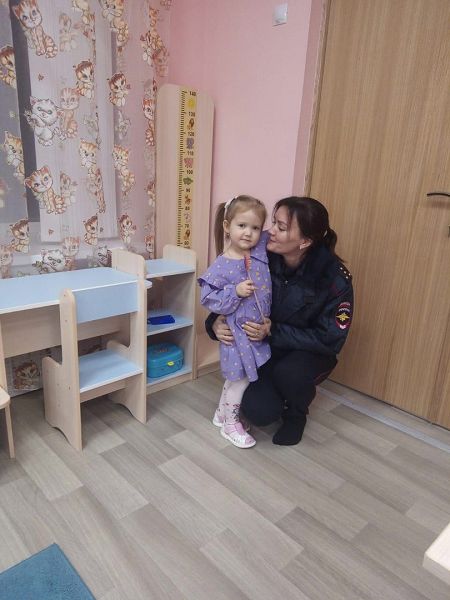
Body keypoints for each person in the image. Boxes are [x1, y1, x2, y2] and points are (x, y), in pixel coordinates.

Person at [206, 196, 353, 446]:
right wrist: (214, 323)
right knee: (259, 412)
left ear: (305, 241)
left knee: (291, 374)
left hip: (307, 352)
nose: (270, 231)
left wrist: (274, 331)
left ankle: (297, 414)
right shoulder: (262, 252)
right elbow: (231, 288)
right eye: (273, 222)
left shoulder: (334, 279)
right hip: (266, 346)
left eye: (281, 227)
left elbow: (330, 339)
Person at [198, 195, 272, 448]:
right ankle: (231, 424)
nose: (249, 233)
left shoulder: (258, 251)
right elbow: (208, 298)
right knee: (240, 380)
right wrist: (235, 292)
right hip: (236, 337)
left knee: (235, 379)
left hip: (254, 335)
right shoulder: (221, 265)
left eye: (255, 227)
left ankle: (221, 414)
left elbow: (276, 233)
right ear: (227, 226)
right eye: (242, 225)